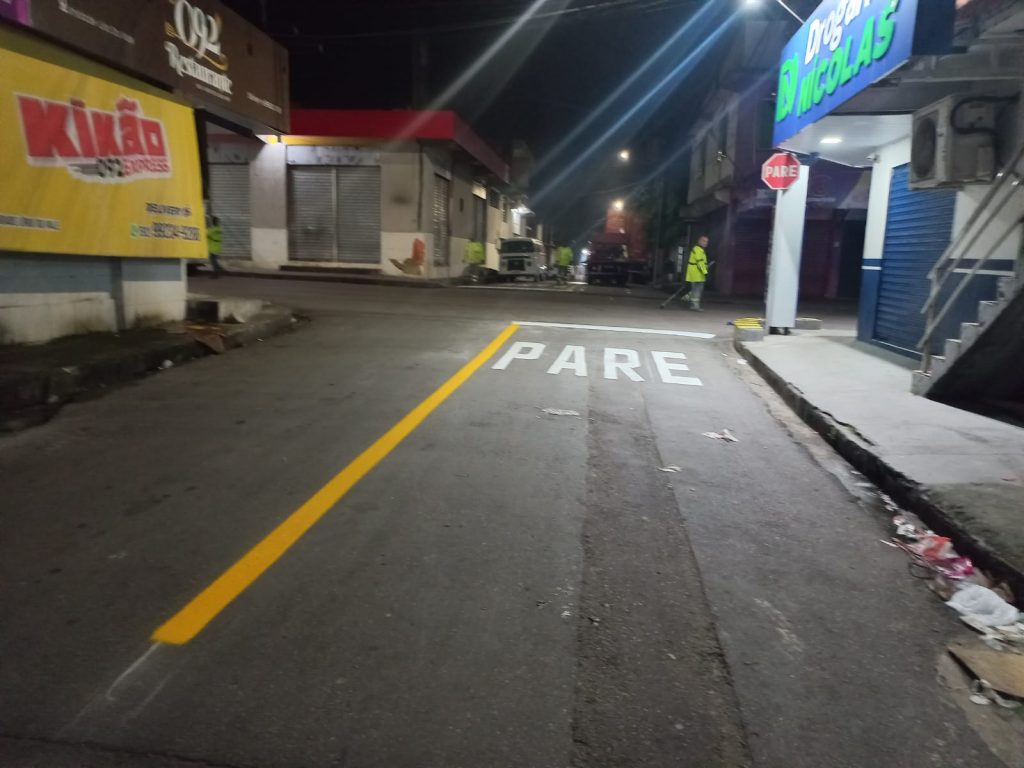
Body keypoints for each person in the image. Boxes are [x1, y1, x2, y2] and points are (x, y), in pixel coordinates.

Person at [686, 235, 710, 311]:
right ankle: (695, 306)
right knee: (697, 290)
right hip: (697, 274)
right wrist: (705, 272)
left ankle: (689, 300)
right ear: (699, 241)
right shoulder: (698, 250)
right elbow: (700, 262)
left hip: (697, 274)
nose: (705, 243)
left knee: (696, 290)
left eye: (707, 241)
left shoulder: (699, 249)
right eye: (704, 241)